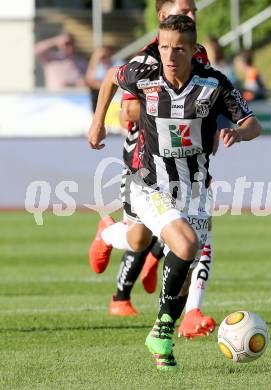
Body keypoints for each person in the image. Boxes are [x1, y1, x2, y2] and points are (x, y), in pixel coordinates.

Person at [88, 14, 261, 370]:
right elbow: (109, 77)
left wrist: (238, 134)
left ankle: (108, 234)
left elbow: (252, 123)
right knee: (185, 245)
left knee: (144, 246)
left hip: (194, 190)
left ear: (193, 50)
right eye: (164, 46)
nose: (168, 55)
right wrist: (97, 121)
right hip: (148, 183)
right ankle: (162, 333)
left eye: (177, 49)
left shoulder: (213, 85)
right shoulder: (145, 75)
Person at [88, 0, 217, 339]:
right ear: (163, 17)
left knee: (194, 235)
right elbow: (129, 109)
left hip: (188, 169)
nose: (192, 15)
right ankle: (106, 236)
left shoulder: (197, 54)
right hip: (144, 166)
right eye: (184, 11)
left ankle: (189, 313)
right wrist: (101, 121)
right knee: (137, 238)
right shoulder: (147, 60)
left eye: (193, 11)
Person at [85, 46, 119, 112]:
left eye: (105, 55)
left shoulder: (117, 64)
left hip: (115, 99)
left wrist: (100, 84)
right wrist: (94, 59)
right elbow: (89, 81)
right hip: (98, 98)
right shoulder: (97, 67)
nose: (103, 58)